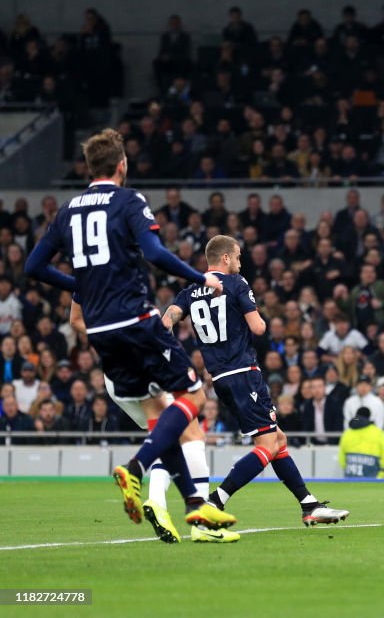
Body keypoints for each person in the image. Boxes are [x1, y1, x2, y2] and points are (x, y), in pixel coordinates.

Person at [25, 128, 235, 538]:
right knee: (193, 397)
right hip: (136, 321)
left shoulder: (67, 210)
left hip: (101, 331)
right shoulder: (128, 199)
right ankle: (136, 468)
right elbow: (155, 254)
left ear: (89, 167)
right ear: (122, 165)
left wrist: (80, 286)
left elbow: (33, 268)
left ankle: (195, 505)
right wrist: (200, 278)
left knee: (161, 419)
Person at [164, 235, 348, 532]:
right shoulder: (236, 283)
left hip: (219, 379)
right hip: (243, 372)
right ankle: (215, 502)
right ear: (225, 258)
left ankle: (308, 504)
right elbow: (259, 327)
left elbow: (168, 320)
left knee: (279, 440)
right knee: (267, 444)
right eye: (237, 256)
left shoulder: (189, 292)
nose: (240, 261)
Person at [339, 407, 384, 478]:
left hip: (351, 476)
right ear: (369, 417)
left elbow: (342, 459)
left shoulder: (347, 434)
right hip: (374, 476)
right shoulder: (379, 433)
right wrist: (381, 472)